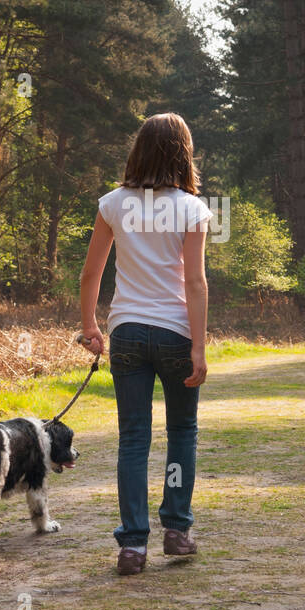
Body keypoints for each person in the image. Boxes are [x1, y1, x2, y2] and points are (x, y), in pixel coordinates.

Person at [78, 113, 210, 575]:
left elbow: (92, 272)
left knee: (133, 438)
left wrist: (90, 326)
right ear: (184, 154)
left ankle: (133, 545)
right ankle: (176, 529)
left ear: (138, 150)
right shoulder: (192, 209)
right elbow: (195, 282)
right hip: (176, 331)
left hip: (128, 331)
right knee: (182, 433)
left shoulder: (113, 203)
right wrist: (199, 346)